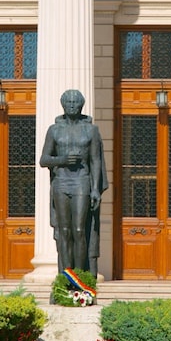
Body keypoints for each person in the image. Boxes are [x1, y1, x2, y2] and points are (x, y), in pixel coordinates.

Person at [40, 89, 108, 274]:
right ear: (63, 105)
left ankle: (79, 277)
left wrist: (95, 189)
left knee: (79, 229)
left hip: (81, 181)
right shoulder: (54, 130)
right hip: (61, 182)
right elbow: (44, 160)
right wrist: (62, 160)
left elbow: (95, 160)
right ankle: (65, 276)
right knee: (64, 231)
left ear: (81, 105)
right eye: (68, 102)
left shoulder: (91, 130)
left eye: (75, 102)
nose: (72, 105)